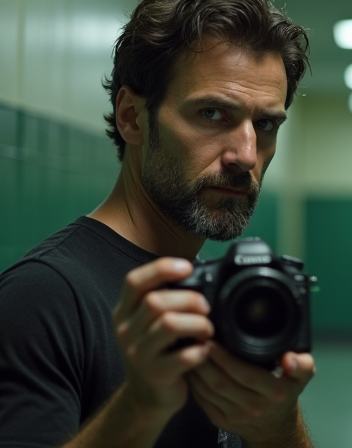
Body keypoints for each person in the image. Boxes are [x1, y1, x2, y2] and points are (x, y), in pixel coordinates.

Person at [0, 1, 315, 447]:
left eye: (265, 124)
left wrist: (278, 425)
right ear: (132, 117)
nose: (246, 155)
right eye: (212, 114)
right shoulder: (45, 298)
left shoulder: (225, 291)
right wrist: (141, 406)